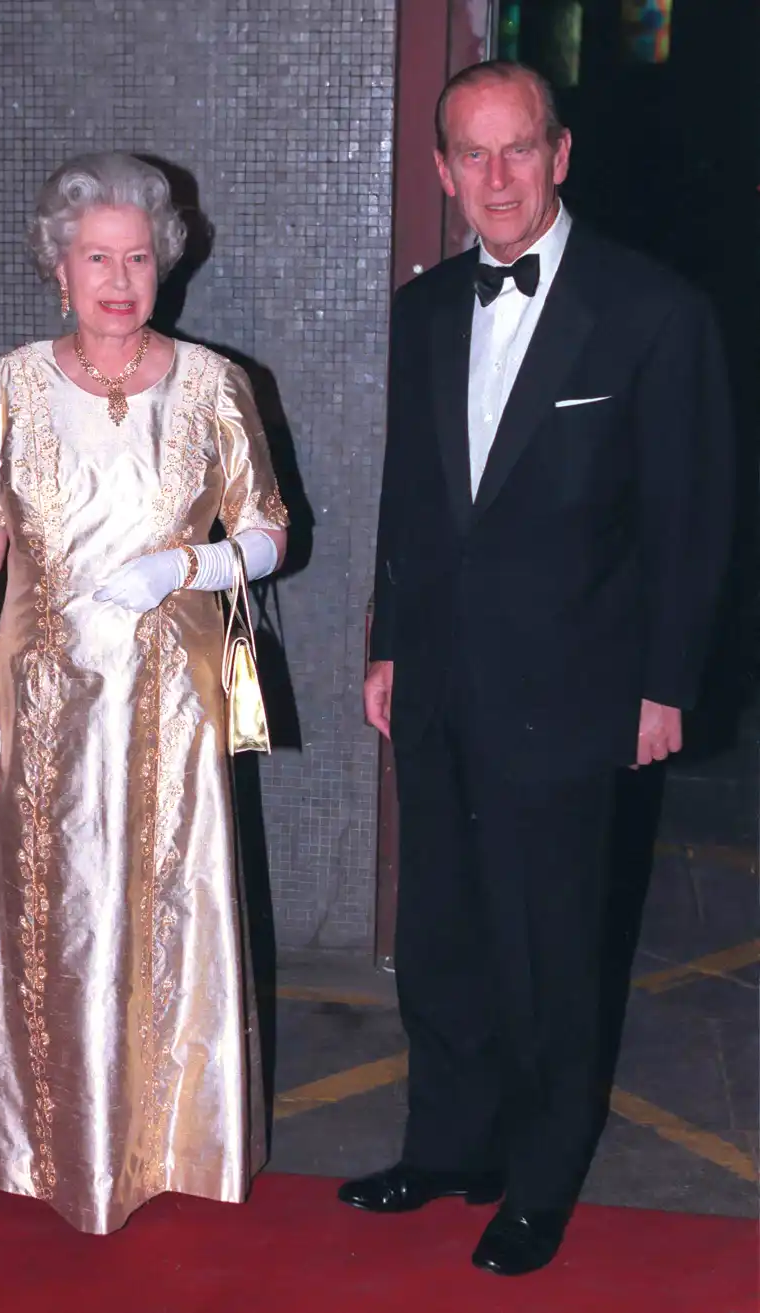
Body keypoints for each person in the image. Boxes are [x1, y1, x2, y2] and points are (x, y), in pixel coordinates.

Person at [339, 62, 732, 1275]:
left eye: (519, 150)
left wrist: (667, 684)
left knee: (555, 945)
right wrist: (388, 642)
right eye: (473, 154)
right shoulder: (422, 310)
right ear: (445, 170)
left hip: (579, 688)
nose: (497, 179)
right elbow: (414, 499)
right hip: (444, 678)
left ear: (559, 155)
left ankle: (543, 1173)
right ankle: (450, 1140)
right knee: (445, 928)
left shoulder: (654, 311)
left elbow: (691, 516)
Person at [0, 152, 288, 1235]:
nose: (119, 280)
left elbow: (270, 532)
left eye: (137, 258)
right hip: (38, 700)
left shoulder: (216, 383)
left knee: (167, 911)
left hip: (176, 700)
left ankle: (166, 1139)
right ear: (58, 267)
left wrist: (189, 568)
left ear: (163, 265)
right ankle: (51, 1146)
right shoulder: (14, 380)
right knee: (53, 918)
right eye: (95, 259)